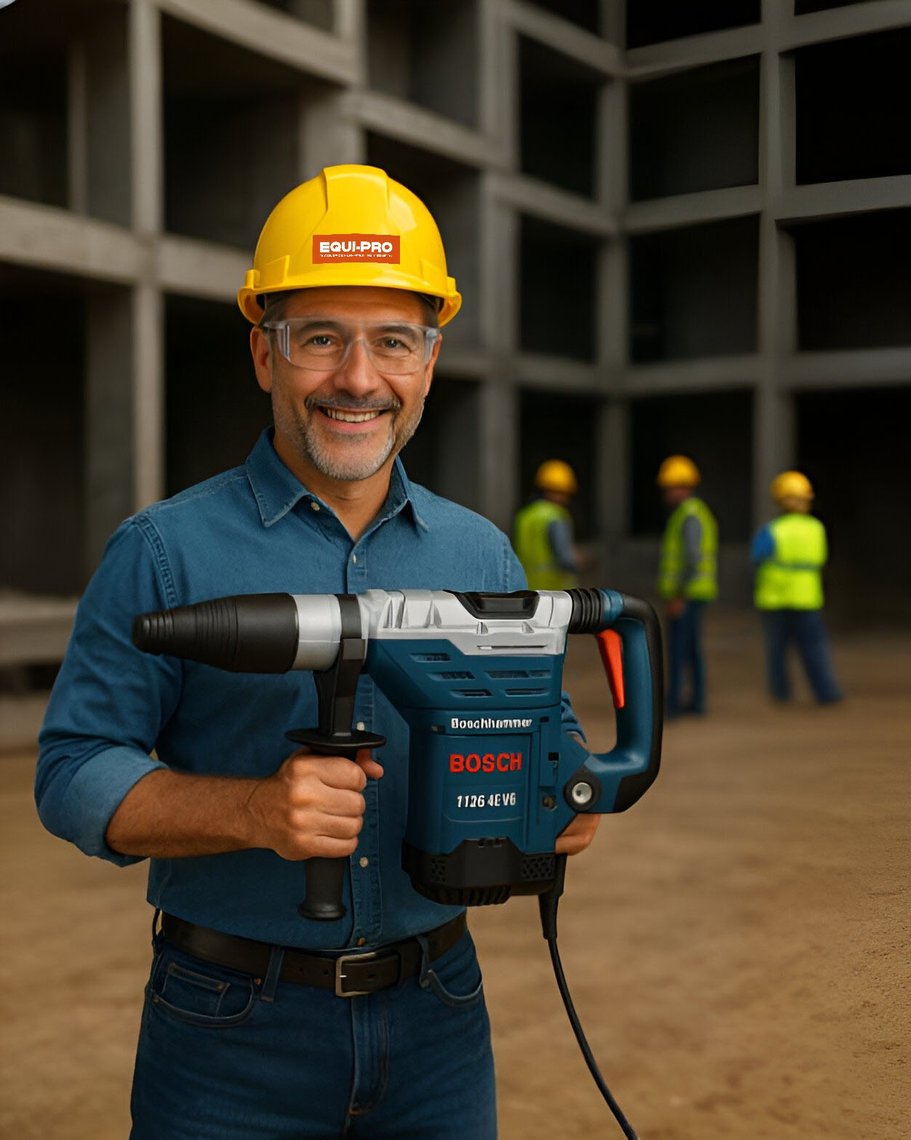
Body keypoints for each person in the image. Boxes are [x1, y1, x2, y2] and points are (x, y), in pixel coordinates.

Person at [35, 164, 597, 1138]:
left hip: (441, 1016)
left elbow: (557, 735)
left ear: (429, 359)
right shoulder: (164, 551)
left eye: (394, 342)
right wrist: (256, 810)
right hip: (229, 1030)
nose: (359, 378)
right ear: (265, 352)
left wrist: (567, 792)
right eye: (320, 339)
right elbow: (73, 772)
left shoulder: (481, 552)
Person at [751, 470, 843, 705]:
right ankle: (826, 693)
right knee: (815, 649)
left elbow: (757, 555)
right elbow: (821, 558)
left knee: (777, 653)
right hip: (807, 598)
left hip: (775, 598)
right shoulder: (817, 528)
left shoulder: (772, 530)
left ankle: (781, 694)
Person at [656, 454, 717, 716]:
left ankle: (674, 705)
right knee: (690, 649)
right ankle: (696, 702)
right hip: (693, 592)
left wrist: (678, 595)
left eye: (670, 487)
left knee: (679, 650)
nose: (667, 493)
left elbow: (691, 558)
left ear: (683, 486)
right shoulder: (691, 513)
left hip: (687, 594)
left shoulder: (689, 515)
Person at [512, 458, 582, 589]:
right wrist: (584, 562)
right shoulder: (556, 516)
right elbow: (566, 559)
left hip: (527, 589)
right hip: (556, 592)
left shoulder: (525, 515)